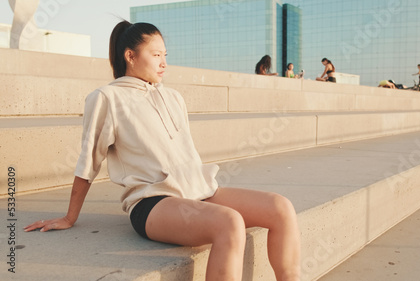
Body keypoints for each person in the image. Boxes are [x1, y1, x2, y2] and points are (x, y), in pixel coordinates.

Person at [24, 20, 301, 281]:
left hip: (198, 193)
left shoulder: (173, 97)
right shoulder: (107, 97)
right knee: (229, 222)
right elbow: (89, 161)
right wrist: (70, 217)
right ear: (130, 56)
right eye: (156, 55)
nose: (164, 63)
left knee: (281, 207)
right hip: (152, 202)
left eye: (165, 55)